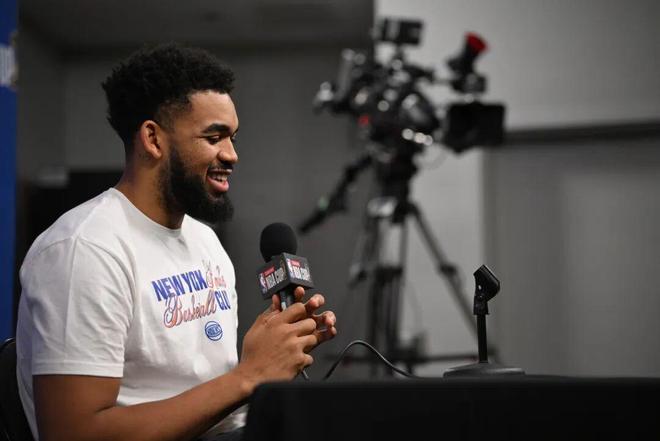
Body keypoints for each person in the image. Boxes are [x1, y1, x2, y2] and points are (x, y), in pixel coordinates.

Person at [15, 43, 337, 441]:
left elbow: (211, 390)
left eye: (233, 138)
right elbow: (73, 433)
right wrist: (248, 376)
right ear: (153, 139)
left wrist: (275, 352)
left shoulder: (204, 241)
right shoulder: (83, 250)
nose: (232, 155)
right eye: (214, 137)